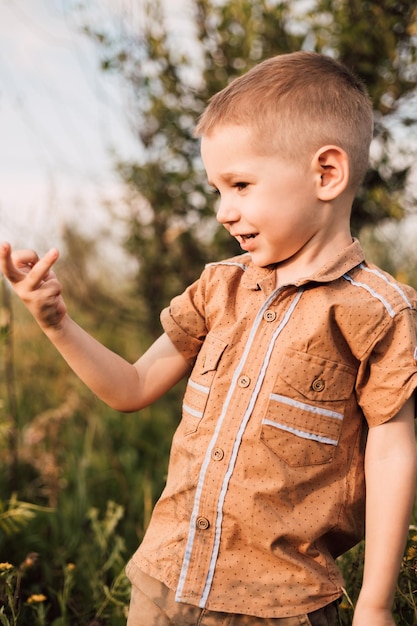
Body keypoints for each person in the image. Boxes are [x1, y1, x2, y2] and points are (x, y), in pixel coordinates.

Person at [1, 51, 416, 626]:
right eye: (217, 190)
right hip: (163, 583)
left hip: (282, 605)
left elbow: (392, 450)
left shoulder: (378, 311)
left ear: (326, 174)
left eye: (240, 185)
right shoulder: (217, 288)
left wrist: (374, 603)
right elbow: (131, 387)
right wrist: (56, 322)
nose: (224, 211)